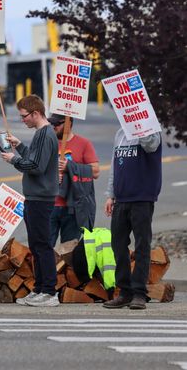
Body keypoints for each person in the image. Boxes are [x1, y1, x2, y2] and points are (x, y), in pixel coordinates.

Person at [0, 95, 59, 307]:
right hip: (36, 197)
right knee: (36, 244)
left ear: (35, 113)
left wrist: (13, 159)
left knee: (42, 244)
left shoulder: (44, 134)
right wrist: (20, 147)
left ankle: (49, 292)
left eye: (24, 116)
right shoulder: (41, 134)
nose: (23, 120)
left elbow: (35, 167)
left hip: (41, 198)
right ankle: (40, 288)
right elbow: (35, 159)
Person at [102, 128, 162, 310]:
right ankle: (125, 292)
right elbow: (115, 165)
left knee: (142, 245)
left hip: (142, 198)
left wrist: (139, 125)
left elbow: (150, 146)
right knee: (117, 244)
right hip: (121, 198)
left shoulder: (151, 132)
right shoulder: (119, 133)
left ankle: (139, 293)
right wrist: (110, 194)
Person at [48, 115, 100, 246]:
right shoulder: (48, 143)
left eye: (57, 124)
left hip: (72, 207)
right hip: (49, 205)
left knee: (69, 252)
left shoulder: (83, 144)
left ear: (68, 123)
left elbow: (95, 171)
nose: (53, 127)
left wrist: (70, 167)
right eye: (51, 124)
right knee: (45, 249)